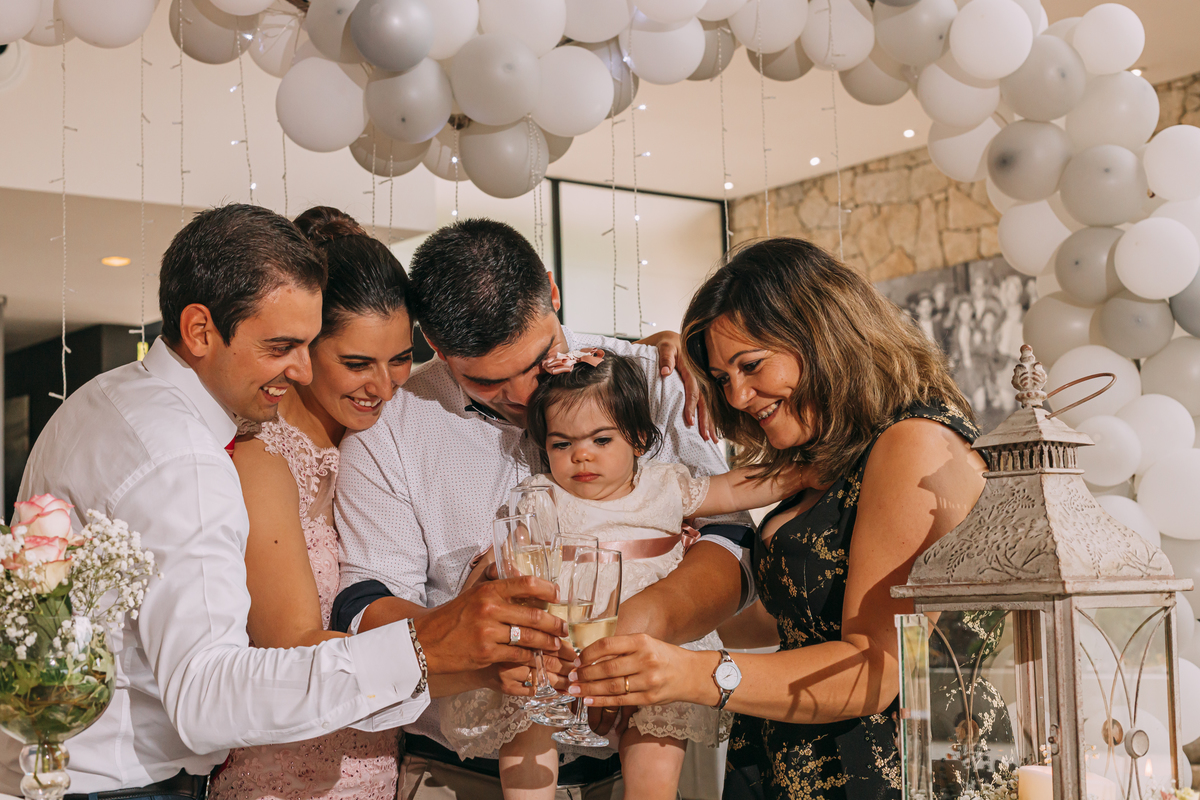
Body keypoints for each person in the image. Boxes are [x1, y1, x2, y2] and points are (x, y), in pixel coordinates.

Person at [0, 204, 567, 798]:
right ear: (200, 331)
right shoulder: (192, 460)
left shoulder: (103, 397)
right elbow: (207, 695)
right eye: (284, 346)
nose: (299, 368)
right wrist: (431, 646)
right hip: (131, 780)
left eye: (398, 359)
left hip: (59, 768)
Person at [330, 218, 756, 799]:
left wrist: (642, 628)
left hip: (646, 757)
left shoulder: (654, 379)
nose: (528, 396)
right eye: (487, 382)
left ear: (552, 294)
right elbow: (363, 600)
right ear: (434, 343)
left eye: (539, 361)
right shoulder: (392, 427)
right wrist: (474, 644)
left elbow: (731, 538)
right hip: (459, 773)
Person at [568, 237, 991, 800]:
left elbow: (875, 670)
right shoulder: (834, 460)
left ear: (821, 338)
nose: (738, 395)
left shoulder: (912, 443)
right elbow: (781, 621)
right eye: (721, 378)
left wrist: (689, 673)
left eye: (751, 365)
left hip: (892, 771)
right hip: (792, 757)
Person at [442, 350, 806, 800]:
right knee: (527, 726)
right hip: (561, 641)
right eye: (561, 444)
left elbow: (732, 487)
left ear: (636, 437)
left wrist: (802, 472)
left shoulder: (664, 486)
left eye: (600, 440)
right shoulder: (542, 496)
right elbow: (517, 555)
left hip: (648, 643)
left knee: (655, 735)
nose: (581, 456)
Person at [209, 207, 414, 800]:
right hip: (279, 774)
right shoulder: (257, 457)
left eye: (399, 357)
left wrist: (648, 357)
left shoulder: (389, 441)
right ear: (303, 350)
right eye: (356, 364)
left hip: (382, 762)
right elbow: (291, 648)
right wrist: (447, 637)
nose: (383, 385)